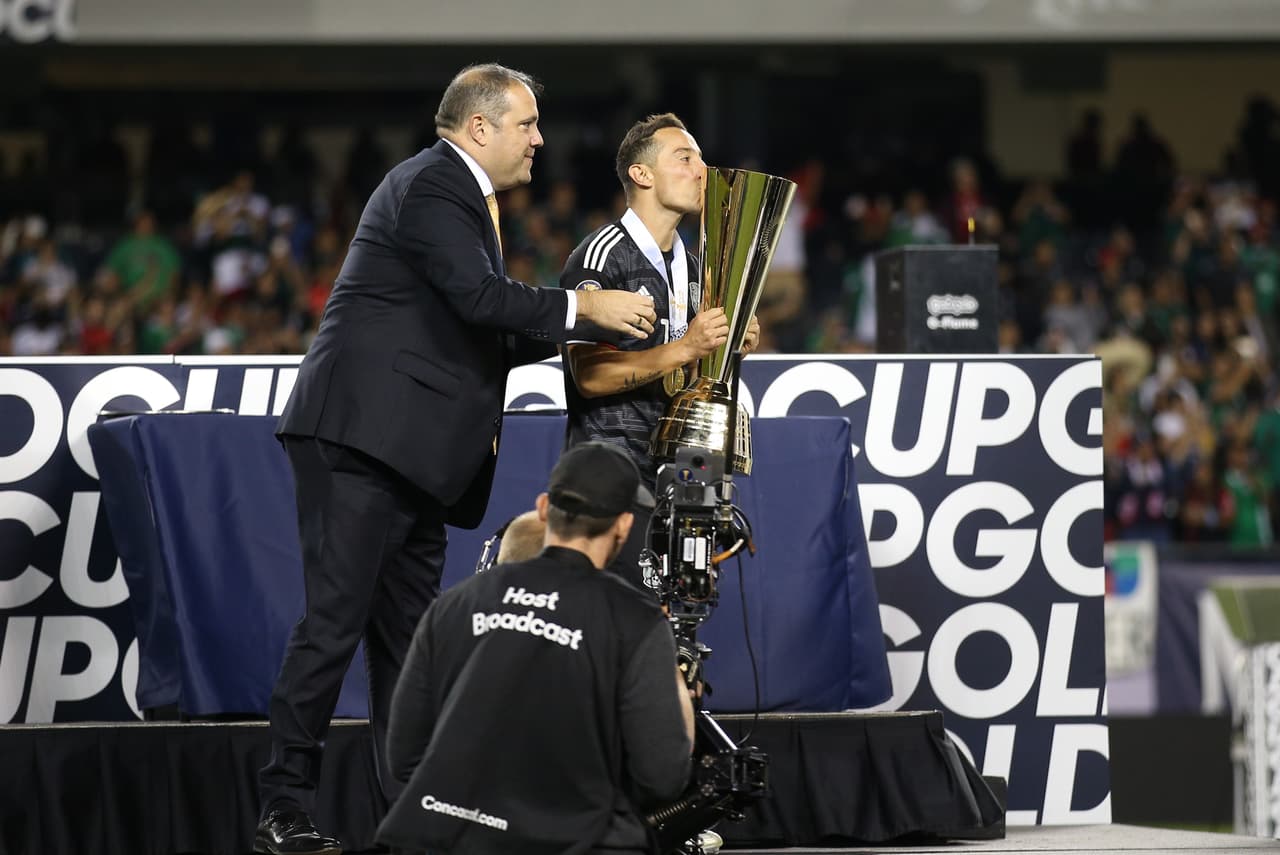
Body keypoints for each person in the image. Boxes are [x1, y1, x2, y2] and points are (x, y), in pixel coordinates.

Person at [255, 63, 659, 855]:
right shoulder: (435, 184)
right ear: (481, 127)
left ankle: (413, 810)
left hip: (414, 461)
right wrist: (583, 307)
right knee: (335, 627)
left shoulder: (463, 199)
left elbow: (488, 329)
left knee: (408, 648)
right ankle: (283, 806)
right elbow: (481, 300)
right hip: (362, 442)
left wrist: (606, 333)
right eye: (528, 123)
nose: (541, 138)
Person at [377, 442, 695, 855]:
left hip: (444, 838)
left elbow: (403, 758)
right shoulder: (635, 620)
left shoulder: (455, 604)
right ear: (623, 526)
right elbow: (662, 776)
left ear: (544, 508)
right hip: (571, 840)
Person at [560, 113, 758, 589]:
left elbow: (691, 375)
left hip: (676, 482)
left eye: (702, 159)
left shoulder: (694, 268)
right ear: (641, 174)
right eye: (685, 158)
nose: (702, 171)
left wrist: (727, 350)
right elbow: (589, 376)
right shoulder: (601, 256)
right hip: (610, 482)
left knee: (668, 627)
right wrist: (684, 346)